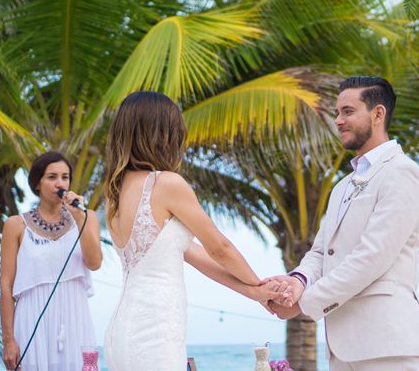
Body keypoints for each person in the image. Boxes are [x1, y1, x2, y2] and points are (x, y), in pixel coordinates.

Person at [102, 91, 288, 371]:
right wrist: (261, 286)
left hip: (122, 331)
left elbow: (195, 255)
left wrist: (254, 292)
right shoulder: (166, 184)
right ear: (163, 133)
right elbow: (219, 248)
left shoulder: (115, 192)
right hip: (155, 330)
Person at [268, 76, 419, 371]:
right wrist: (297, 281)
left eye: (348, 111)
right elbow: (320, 252)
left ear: (378, 114)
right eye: (337, 113)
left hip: (386, 343)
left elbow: (372, 257)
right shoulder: (343, 186)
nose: (338, 121)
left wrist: (304, 303)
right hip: (342, 346)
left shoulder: (402, 172)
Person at [0, 151, 102, 371]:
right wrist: (8, 339)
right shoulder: (15, 225)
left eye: (65, 177)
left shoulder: (87, 218)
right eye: (52, 177)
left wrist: (79, 216)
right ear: (37, 183)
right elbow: (6, 286)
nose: (60, 183)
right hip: (31, 320)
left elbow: (94, 263)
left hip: (76, 320)